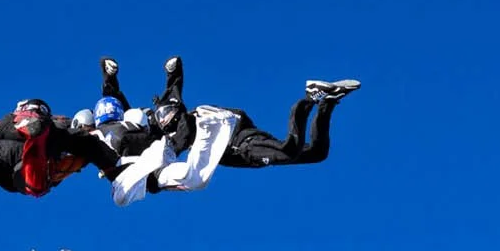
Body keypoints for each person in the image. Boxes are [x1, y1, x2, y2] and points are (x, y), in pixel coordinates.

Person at [113, 79, 361, 203]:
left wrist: (165, 160)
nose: (165, 120)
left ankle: (309, 98)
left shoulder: (188, 121)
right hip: (247, 142)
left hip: (244, 145)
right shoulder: (198, 122)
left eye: (166, 114)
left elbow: (181, 134)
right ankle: (328, 102)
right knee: (317, 153)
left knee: (289, 150)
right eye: (161, 118)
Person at [0, 87, 122, 195]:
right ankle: (36, 139)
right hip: (29, 159)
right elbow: (92, 144)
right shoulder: (64, 128)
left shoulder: (4, 122)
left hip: (1, 158)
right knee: (36, 186)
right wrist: (115, 173)